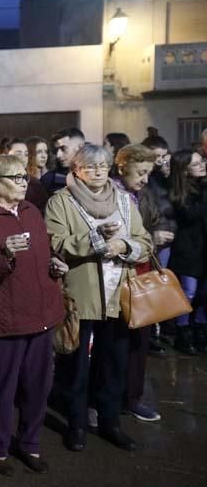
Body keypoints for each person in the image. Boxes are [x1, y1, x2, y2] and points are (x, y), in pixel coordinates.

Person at [0, 155, 65, 476]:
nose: (24, 182)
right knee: (1, 390)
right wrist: (4, 254)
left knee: (38, 387)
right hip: (4, 318)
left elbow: (41, 257)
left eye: (25, 176)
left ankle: (30, 444)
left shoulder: (32, 211)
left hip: (41, 314)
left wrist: (55, 265)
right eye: (16, 177)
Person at [46, 144, 152, 453]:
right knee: (76, 366)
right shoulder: (61, 201)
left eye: (103, 167)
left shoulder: (123, 199)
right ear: (76, 169)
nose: (97, 172)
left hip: (120, 294)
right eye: (90, 167)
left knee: (114, 362)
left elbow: (144, 241)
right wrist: (96, 238)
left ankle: (110, 424)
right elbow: (56, 243)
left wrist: (126, 247)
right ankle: (76, 425)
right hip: (81, 296)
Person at [112, 145, 170, 421]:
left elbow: (160, 219)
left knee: (139, 340)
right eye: (141, 172)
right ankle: (107, 398)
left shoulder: (143, 195)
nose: (146, 179)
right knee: (113, 342)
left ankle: (132, 398)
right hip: (117, 275)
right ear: (122, 167)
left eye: (149, 173)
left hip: (144, 272)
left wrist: (158, 232)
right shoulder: (108, 195)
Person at [167, 149, 207, 354]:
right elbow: (190, 214)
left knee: (203, 293)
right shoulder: (179, 191)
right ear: (184, 171)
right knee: (188, 292)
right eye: (197, 164)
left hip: (203, 248)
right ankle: (182, 331)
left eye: (203, 161)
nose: (203, 165)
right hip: (189, 249)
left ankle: (199, 328)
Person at [1, 138, 49, 212]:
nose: (23, 158)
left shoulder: (35, 185)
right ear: (5, 155)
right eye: (18, 154)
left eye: (26, 154)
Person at [41, 128, 85, 194]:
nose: (58, 155)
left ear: (80, 148)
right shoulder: (48, 180)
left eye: (63, 148)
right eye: (56, 150)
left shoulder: (97, 175)